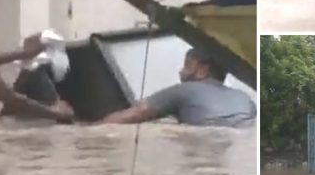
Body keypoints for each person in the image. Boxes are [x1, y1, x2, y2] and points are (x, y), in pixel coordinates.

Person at [99, 48, 256, 127]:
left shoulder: (185, 90)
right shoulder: (244, 98)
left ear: (202, 71)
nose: (181, 71)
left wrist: (86, 130)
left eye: (187, 65)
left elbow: (131, 115)